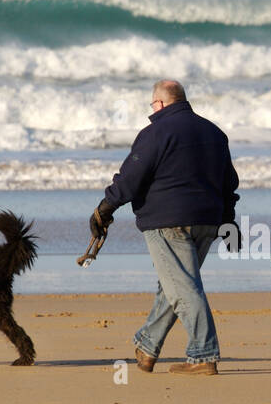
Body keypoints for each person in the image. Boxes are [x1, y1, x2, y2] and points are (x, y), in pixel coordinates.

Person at [90, 80, 239, 376]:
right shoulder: (214, 133)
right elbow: (228, 183)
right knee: (175, 285)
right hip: (207, 220)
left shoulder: (154, 132)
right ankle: (147, 347)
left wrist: (105, 208)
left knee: (183, 287)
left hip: (168, 221)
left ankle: (203, 355)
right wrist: (228, 219)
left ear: (159, 103)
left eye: (152, 105)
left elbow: (131, 177)